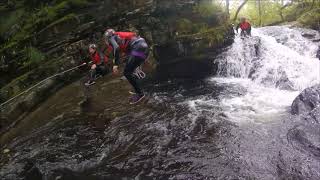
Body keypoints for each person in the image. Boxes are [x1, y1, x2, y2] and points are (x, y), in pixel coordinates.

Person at [104, 29, 149, 104]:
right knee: (130, 71)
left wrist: (115, 64)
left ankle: (140, 94)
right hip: (144, 48)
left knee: (127, 73)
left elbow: (116, 48)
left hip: (137, 48)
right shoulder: (120, 37)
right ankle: (137, 88)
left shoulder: (112, 37)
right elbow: (128, 49)